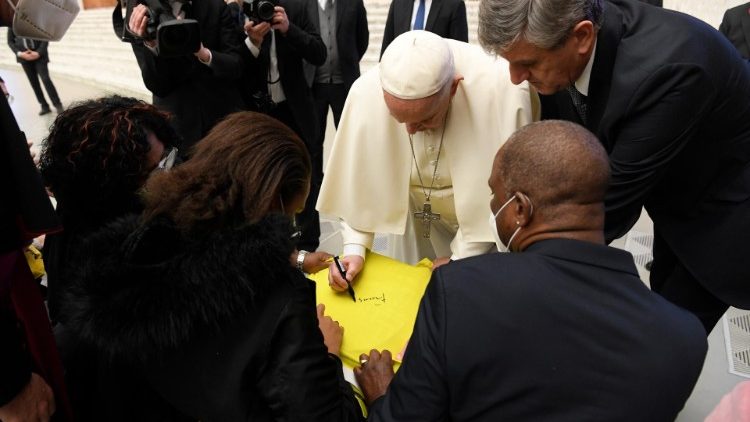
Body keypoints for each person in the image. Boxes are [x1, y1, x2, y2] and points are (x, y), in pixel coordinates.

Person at [355, 120, 708, 421]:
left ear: (520, 209)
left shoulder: (459, 290)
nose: (492, 207)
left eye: (494, 195)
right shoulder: (685, 336)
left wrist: (383, 396)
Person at [60, 112, 363, 421]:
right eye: (292, 216)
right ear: (274, 205)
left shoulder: (138, 246)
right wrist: (327, 356)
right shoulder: (282, 302)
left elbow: (212, 262)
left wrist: (293, 257)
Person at [478, 0, 750, 333]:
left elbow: (602, 205)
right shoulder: (560, 45)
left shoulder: (672, 70)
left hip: (727, 215)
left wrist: (498, 275)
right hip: (674, 197)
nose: (516, 78)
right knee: (660, 312)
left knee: (667, 337)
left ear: (582, 36)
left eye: (527, 64)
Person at [317, 30, 536, 291]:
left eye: (424, 119)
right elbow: (360, 186)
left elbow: (506, 201)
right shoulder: (366, 93)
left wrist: (460, 259)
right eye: (401, 120)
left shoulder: (504, 90)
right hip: (413, 222)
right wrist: (354, 248)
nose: (410, 130)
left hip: (484, 236)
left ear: (454, 87)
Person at [39, 96, 180, 325]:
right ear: (111, 185)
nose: (168, 176)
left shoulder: (81, 214)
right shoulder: (102, 258)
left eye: (167, 159)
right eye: (153, 171)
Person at [241, 0, 327, 252]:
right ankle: (272, 244)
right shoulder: (240, 11)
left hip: (296, 109)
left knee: (306, 177)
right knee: (264, 180)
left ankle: (308, 243)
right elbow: (234, 65)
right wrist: (252, 43)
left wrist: (289, 29)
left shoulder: (297, 7)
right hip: (260, 112)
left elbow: (319, 53)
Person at [127, 0, 245, 156]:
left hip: (224, 122)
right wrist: (150, 43)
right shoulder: (143, 14)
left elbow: (236, 66)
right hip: (177, 127)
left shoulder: (216, 6)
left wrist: (204, 54)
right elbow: (157, 85)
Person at [304, 0, 369, 256]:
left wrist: (349, 61)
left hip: (345, 84)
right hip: (313, 87)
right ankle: (311, 224)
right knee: (313, 151)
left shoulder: (352, 3)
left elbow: (361, 39)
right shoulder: (304, 5)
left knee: (349, 150)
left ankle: (353, 216)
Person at [380, 0, 468, 57]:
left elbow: (460, 52)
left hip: (437, 80)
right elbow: (387, 46)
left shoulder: (454, 5)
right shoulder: (398, 3)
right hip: (400, 78)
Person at [7, 27, 64, 115]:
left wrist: (39, 52)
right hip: (24, 58)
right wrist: (20, 54)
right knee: (34, 83)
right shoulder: (12, 23)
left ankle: (58, 105)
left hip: (39, 56)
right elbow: (10, 41)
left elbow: (44, 36)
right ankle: (44, 106)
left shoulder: (34, 19)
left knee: (46, 79)